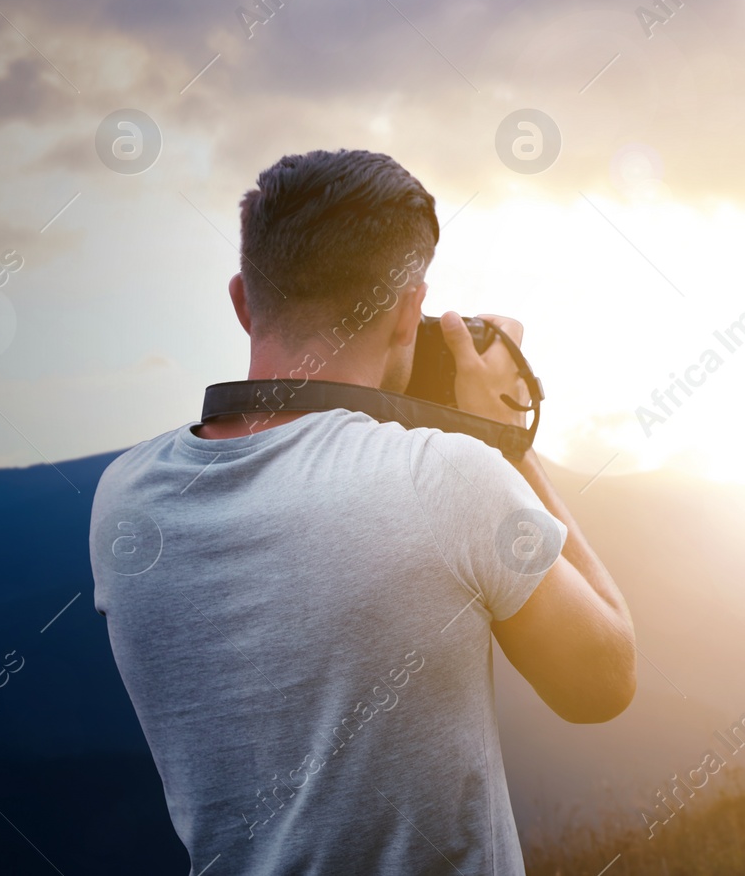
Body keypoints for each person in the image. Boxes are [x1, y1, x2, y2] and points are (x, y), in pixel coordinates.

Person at [89, 149, 635, 875]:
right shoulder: (449, 477)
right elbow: (603, 679)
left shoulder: (125, 496)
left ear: (243, 300)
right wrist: (505, 440)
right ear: (411, 308)